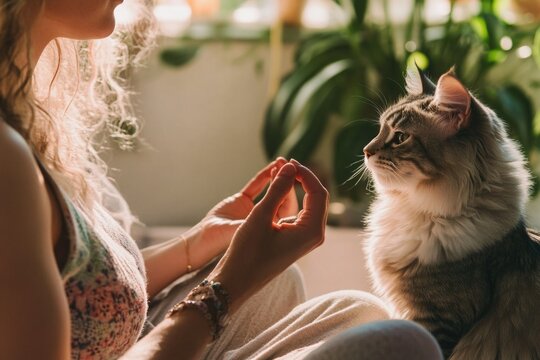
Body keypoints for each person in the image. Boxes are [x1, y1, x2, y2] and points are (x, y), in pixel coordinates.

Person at [0, 0, 443, 359]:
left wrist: (194, 245)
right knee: (402, 344)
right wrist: (223, 290)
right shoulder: (7, 159)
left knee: (350, 308)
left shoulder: (28, 113)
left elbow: (79, 290)